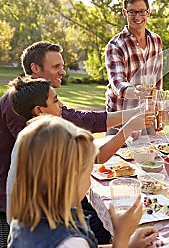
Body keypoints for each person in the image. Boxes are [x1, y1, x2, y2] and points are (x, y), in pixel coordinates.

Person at [0, 41, 141, 246]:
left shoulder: (36, 99)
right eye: (56, 67)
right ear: (35, 69)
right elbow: (94, 156)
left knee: (97, 227)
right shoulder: (28, 116)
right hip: (18, 201)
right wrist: (121, 240)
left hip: (42, 204)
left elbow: (81, 119)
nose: (63, 72)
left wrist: (133, 114)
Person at [6, 76, 154, 220]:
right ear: (39, 110)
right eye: (56, 101)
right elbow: (98, 157)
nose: (62, 105)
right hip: (44, 222)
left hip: (27, 219)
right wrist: (128, 129)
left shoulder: (31, 133)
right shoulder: (48, 139)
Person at [7, 115, 158, 248]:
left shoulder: (26, 217)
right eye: (88, 173)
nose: (90, 182)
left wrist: (128, 244)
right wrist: (121, 236)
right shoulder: (68, 242)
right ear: (70, 179)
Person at [105, 0, 163, 135]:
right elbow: (117, 83)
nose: (137, 17)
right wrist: (135, 92)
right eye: (132, 12)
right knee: (115, 157)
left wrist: (158, 111)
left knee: (151, 156)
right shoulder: (116, 45)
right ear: (125, 13)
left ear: (148, 13)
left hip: (146, 116)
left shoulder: (156, 41)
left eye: (141, 11)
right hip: (120, 117)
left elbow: (158, 81)